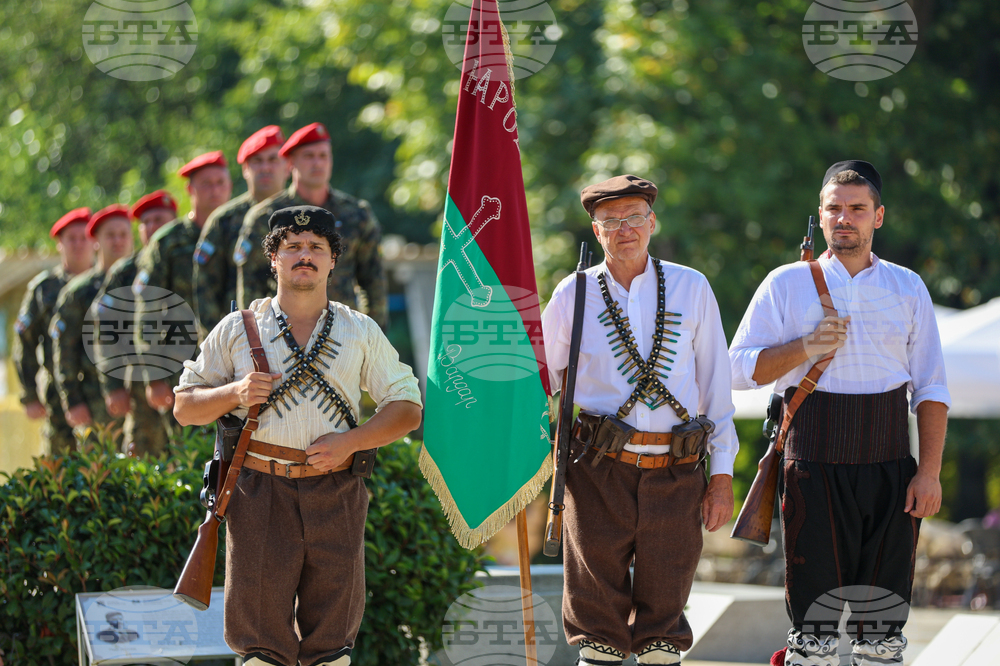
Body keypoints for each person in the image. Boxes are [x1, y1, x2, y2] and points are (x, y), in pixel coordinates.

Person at [173, 205, 421, 666]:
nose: (304, 255)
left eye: (315, 248)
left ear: (332, 261)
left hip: (337, 490)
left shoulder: (359, 330)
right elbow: (184, 407)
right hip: (259, 490)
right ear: (274, 260)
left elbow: (408, 407)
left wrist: (351, 442)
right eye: (292, 247)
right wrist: (234, 392)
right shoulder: (237, 329)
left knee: (332, 643)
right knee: (261, 645)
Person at [729, 161, 950, 666]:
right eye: (834, 208)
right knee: (814, 632)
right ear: (822, 216)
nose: (844, 217)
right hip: (811, 467)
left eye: (857, 208)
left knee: (882, 632)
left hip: (892, 469)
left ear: (879, 217)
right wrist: (807, 346)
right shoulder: (784, 283)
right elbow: (738, 369)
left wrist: (930, 472)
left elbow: (932, 387)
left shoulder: (908, 286)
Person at [541, 175, 738, 666]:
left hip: (677, 470)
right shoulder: (575, 293)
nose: (624, 228)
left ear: (652, 222)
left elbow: (716, 388)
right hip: (596, 472)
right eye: (611, 221)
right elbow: (539, 377)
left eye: (633, 217)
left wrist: (722, 475)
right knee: (597, 630)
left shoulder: (691, 286)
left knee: (662, 633)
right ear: (596, 229)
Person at [235, 122, 388, 329]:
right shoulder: (266, 217)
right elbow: (251, 285)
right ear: (290, 163)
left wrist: (374, 336)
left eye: (323, 156)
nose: (317, 163)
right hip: (281, 333)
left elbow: (374, 283)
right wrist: (254, 338)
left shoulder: (356, 214)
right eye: (309, 156)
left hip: (343, 333)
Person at [134, 151, 233, 414]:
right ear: (190, 189)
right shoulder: (169, 241)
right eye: (206, 184)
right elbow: (148, 309)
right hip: (182, 362)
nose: (215, 190)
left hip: (238, 358)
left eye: (220, 183)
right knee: (187, 447)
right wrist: (154, 375)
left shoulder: (244, 230)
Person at [94, 190, 177, 456]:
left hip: (192, 380)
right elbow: (106, 329)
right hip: (141, 389)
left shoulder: (190, 261)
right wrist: (113, 386)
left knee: (193, 460)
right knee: (141, 462)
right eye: (147, 222)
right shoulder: (126, 272)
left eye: (160, 220)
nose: (154, 227)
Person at [193, 125, 290, 339]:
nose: (265, 168)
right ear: (245, 169)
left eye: (273, 159)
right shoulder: (223, 220)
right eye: (257, 161)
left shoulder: (304, 215)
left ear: (288, 166)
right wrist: (220, 345)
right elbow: (206, 290)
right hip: (239, 340)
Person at [13, 207, 94, 455]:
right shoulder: (44, 288)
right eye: (72, 239)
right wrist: (29, 394)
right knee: (58, 468)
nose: (79, 245)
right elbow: (25, 341)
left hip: (101, 391)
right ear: (60, 244)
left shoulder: (109, 282)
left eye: (85, 238)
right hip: (57, 395)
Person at [51, 205, 135, 442]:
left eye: (123, 234)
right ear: (96, 240)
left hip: (142, 399)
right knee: (100, 472)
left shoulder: (147, 281)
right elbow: (64, 351)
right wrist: (73, 401)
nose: (118, 241)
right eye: (110, 235)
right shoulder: (79, 292)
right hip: (95, 402)